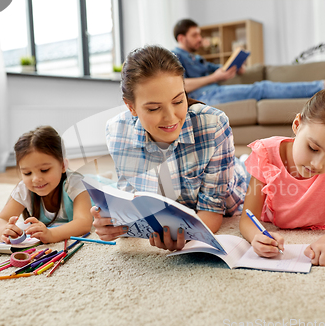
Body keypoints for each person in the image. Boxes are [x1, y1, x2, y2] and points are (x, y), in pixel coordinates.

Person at [91, 45, 248, 251]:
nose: (171, 117)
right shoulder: (117, 131)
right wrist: (115, 226)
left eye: (178, 100)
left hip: (233, 187)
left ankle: (245, 160)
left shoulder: (213, 124)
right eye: (154, 108)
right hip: (170, 201)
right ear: (131, 107)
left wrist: (183, 235)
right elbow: (131, 201)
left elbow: (211, 214)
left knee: (250, 172)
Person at [239, 86, 325, 266]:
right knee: (236, 182)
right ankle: (242, 162)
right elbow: (247, 217)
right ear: (297, 125)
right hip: (249, 179)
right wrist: (257, 236)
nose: (318, 164)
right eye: (313, 148)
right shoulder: (266, 154)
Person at [172, 19, 325, 106]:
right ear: (181, 38)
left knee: (261, 88)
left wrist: (235, 68)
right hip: (204, 97)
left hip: (213, 90)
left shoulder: (198, 58)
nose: (200, 38)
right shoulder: (175, 57)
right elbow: (180, 85)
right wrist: (214, 77)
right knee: (261, 88)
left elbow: (220, 70)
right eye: (194, 35)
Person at [0, 126, 92, 244]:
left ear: (63, 165)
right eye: (27, 173)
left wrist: (51, 234)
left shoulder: (75, 183)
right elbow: (0, 220)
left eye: (44, 170)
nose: (36, 179)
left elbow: (84, 223)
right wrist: (4, 231)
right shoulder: (24, 189)